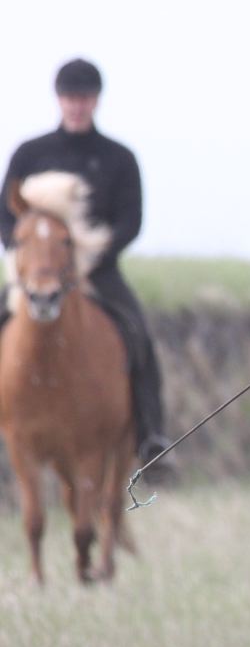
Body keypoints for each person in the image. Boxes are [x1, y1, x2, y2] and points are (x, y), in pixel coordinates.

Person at [1, 59, 168, 464]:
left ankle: (151, 436)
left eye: (84, 98)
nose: (77, 105)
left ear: (96, 101)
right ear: (59, 100)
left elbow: (131, 221)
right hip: (37, 274)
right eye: (70, 97)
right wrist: (24, 255)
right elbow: (7, 215)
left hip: (96, 273)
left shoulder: (118, 158)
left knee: (138, 334)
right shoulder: (30, 154)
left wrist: (94, 256)